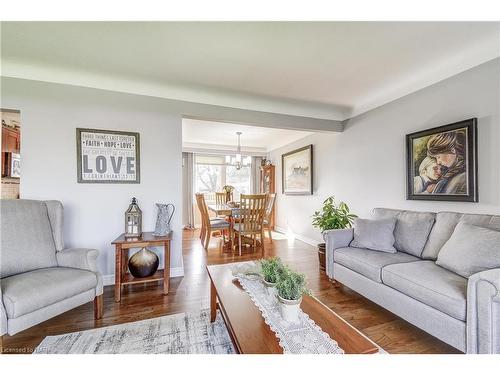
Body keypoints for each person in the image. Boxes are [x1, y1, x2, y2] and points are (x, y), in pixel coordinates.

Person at [426, 130, 467, 194]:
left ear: (452, 150)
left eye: (438, 157)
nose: (438, 162)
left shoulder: (463, 178)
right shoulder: (450, 174)